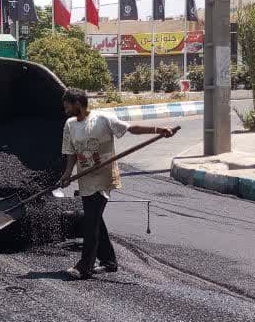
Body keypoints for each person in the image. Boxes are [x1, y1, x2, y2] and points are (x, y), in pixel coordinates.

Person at [58, 88, 175, 280]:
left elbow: (130, 128)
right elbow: (71, 153)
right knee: (94, 219)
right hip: (85, 179)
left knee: (90, 221)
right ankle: (109, 260)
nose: (65, 110)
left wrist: (158, 130)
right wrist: (67, 174)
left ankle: (84, 266)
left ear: (77, 104)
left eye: (67, 106)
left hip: (104, 177)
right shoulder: (70, 124)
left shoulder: (103, 118)